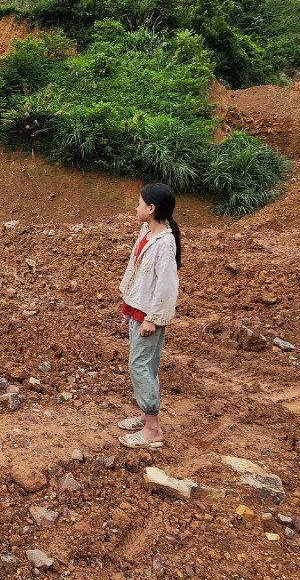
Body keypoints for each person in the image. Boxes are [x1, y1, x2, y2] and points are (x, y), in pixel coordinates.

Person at [116, 183, 181, 449]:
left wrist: (152, 318)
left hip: (148, 315)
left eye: (140, 203)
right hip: (138, 309)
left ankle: (153, 428)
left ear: (151, 209)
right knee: (147, 363)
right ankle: (146, 415)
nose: (136, 207)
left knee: (139, 365)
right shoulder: (147, 231)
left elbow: (167, 286)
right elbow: (136, 270)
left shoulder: (164, 244)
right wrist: (128, 305)